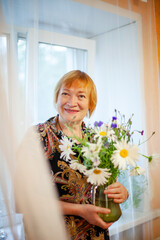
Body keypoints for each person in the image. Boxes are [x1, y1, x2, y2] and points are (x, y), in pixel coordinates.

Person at [36, 70, 129, 240]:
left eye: (81, 96)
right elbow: (20, 203)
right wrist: (80, 211)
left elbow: (106, 182)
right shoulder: (37, 136)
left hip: (96, 234)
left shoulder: (99, 139)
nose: (72, 102)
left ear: (90, 104)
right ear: (56, 98)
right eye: (65, 94)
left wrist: (121, 192)